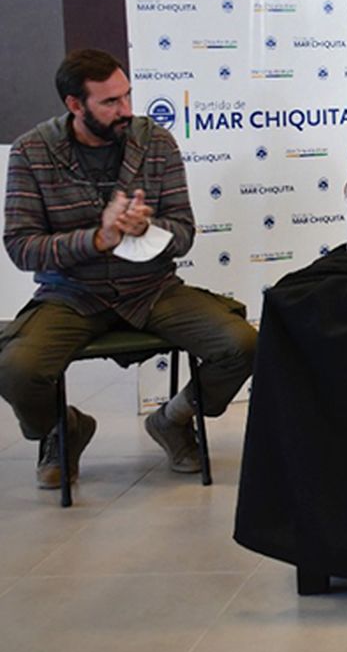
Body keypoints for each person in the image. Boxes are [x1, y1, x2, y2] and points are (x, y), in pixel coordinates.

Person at [0, 50, 257, 489]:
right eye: (111, 103)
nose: (126, 111)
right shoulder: (32, 151)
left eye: (127, 96)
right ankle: (65, 427)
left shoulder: (155, 142)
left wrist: (148, 228)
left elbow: (183, 233)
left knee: (244, 344)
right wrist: (95, 240)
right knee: (16, 368)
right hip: (71, 294)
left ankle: (173, 420)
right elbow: (22, 248)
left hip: (152, 288)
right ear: (74, 105)